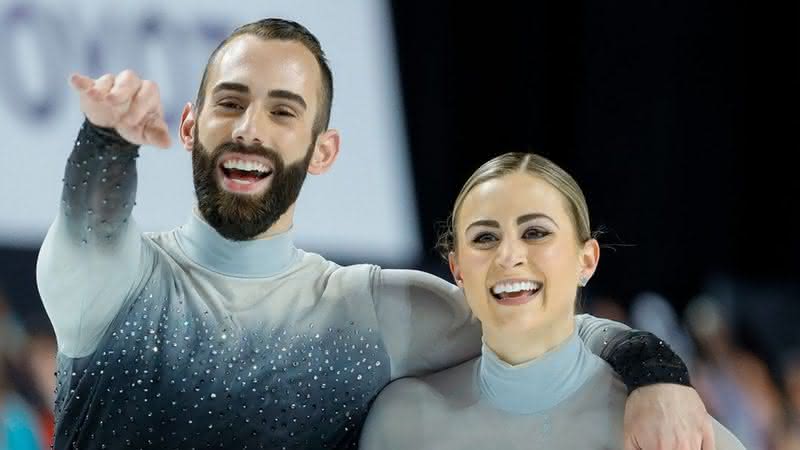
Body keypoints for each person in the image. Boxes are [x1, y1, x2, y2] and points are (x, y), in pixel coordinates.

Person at [37, 18, 712, 449]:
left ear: (323, 151)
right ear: (190, 126)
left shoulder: (372, 312)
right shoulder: (115, 286)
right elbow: (91, 224)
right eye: (231, 102)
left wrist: (655, 370)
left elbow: (534, 319)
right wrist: (107, 137)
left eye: (282, 110)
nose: (249, 129)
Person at [360, 152, 745, 450]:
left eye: (536, 232)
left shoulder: (663, 426)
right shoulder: (402, 421)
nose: (508, 255)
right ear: (458, 270)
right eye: (484, 238)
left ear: (587, 260)